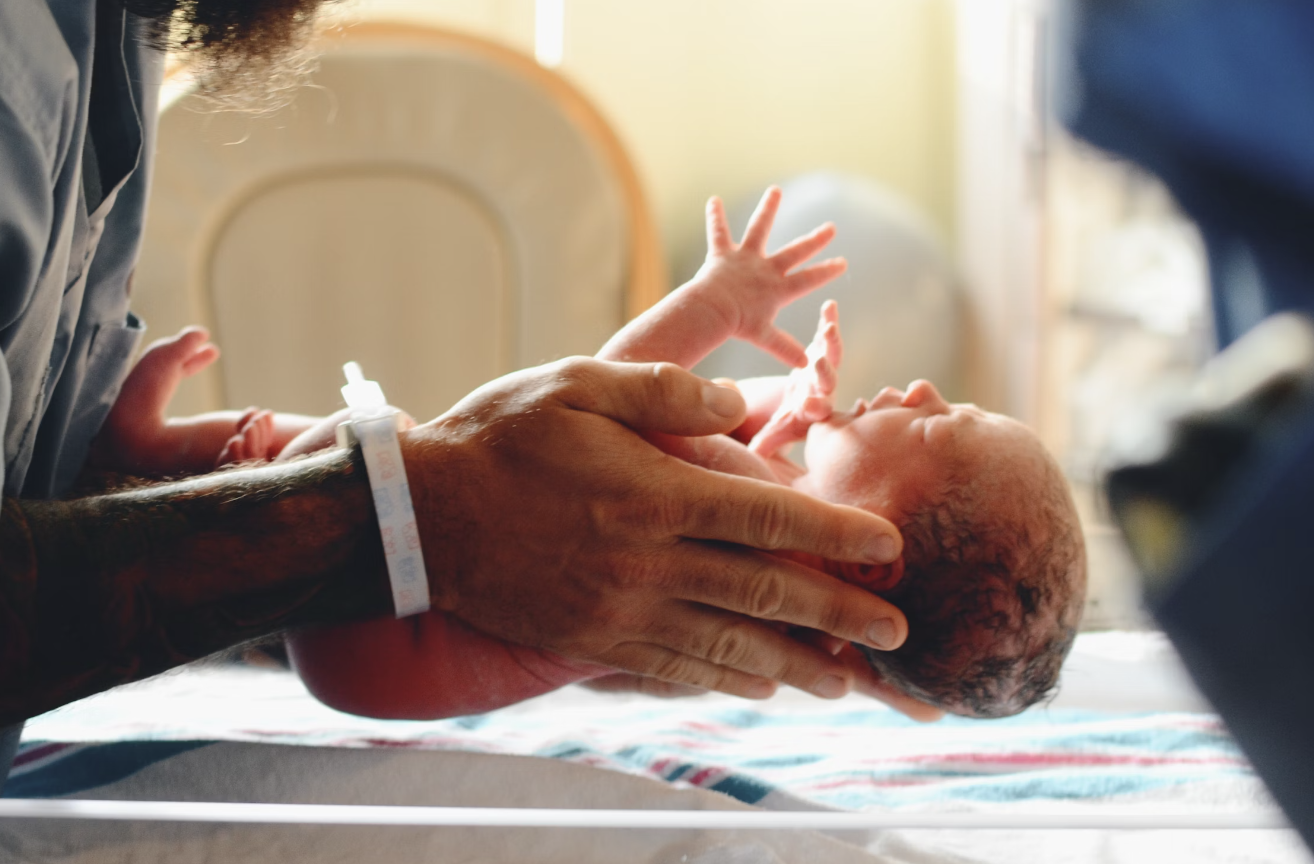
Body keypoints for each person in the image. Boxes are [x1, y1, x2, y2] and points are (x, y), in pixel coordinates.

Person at [0, 2, 911, 861]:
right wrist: (409, 513)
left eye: (945, 433)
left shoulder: (81, 35)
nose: (915, 398)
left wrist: (105, 480)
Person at [280, 190, 1087, 721]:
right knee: (317, 448)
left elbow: (605, 404)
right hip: (383, 655)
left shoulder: (758, 527)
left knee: (337, 443)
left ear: (874, 556)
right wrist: (790, 414)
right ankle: (181, 447)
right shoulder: (804, 609)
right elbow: (924, 699)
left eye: (935, 428)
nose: (921, 389)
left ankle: (194, 454)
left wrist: (718, 303)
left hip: (388, 628)